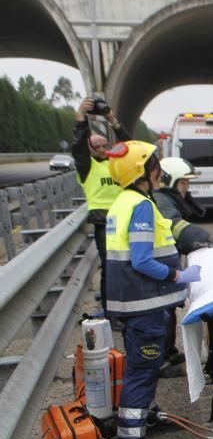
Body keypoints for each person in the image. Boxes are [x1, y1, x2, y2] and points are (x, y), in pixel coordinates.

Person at [104, 140, 201, 439]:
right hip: (144, 306)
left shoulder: (122, 202)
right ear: (143, 172)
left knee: (141, 370)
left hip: (134, 306)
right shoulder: (141, 206)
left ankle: (145, 420)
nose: (159, 171)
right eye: (154, 166)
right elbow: (143, 259)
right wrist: (178, 274)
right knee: (141, 374)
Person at [152, 157, 213, 378]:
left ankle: (169, 352)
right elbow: (176, 227)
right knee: (163, 313)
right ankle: (162, 360)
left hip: (163, 262)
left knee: (169, 309)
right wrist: (205, 237)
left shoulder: (167, 198)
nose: (187, 188)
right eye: (183, 183)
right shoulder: (162, 201)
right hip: (158, 267)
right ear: (169, 181)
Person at [72, 98, 127, 314]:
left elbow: (130, 144)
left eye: (106, 145)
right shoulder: (88, 167)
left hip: (125, 220)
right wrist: (81, 118)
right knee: (111, 269)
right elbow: (78, 147)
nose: (103, 149)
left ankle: (127, 306)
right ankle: (111, 311)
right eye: (97, 147)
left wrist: (112, 119)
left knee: (129, 268)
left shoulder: (117, 164)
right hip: (104, 224)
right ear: (90, 149)